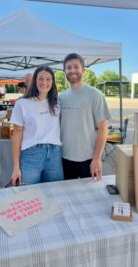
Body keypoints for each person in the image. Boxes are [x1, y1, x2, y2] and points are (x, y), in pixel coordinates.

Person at [59, 53, 111, 181]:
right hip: (64, 158)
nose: (72, 70)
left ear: (83, 69)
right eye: (69, 67)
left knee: (91, 196)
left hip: (88, 159)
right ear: (64, 71)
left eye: (76, 67)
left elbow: (103, 129)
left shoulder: (95, 95)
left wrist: (97, 158)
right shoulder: (61, 97)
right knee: (67, 196)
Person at [10, 66, 63, 186]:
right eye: (41, 78)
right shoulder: (22, 104)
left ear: (53, 82)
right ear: (35, 80)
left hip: (55, 155)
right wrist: (16, 167)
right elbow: (17, 135)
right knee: (29, 196)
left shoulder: (57, 103)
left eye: (48, 79)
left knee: (55, 194)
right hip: (31, 156)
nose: (44, 82)